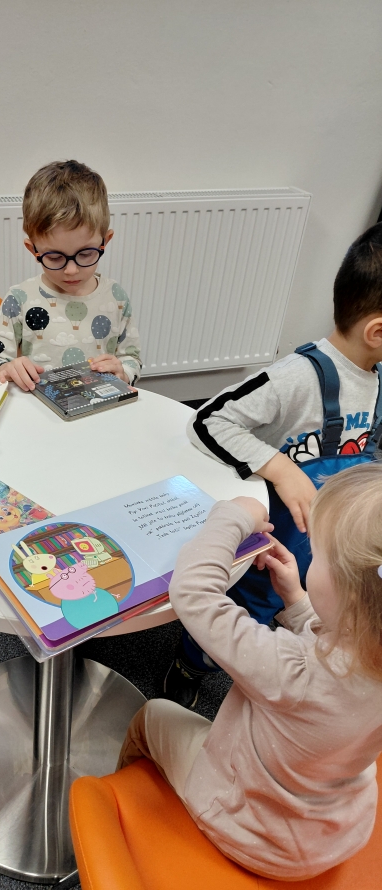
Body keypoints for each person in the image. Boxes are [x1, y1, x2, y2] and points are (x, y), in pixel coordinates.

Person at [119, 464, 382, 881]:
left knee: (152, 715)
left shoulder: (293, 670)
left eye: (318, 556)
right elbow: (346, 644)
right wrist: (296, 600)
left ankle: (124, 806)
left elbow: (194, 594)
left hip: (251, 832)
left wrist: (234, 516)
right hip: (336, 832)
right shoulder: (366, 647)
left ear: (348, 595)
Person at [166, 221, 382, 709]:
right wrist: (281, 469)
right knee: (240, 616)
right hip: (271, 547)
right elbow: (208, 420)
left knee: (303, 622)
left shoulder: (376, 378)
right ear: (377, 331)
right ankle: (191, 664)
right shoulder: (296, 378)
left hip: (329, 547)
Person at [0, 159, 142, 389]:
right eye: (55, 257)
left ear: (105, 242)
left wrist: (123, 372)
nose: (71, 270)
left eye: (86, 254)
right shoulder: (19, 299)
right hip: (38, 407)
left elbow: (132, 359)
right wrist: (5, 369)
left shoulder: (116, 297)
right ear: (33, 250)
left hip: (98, 404)